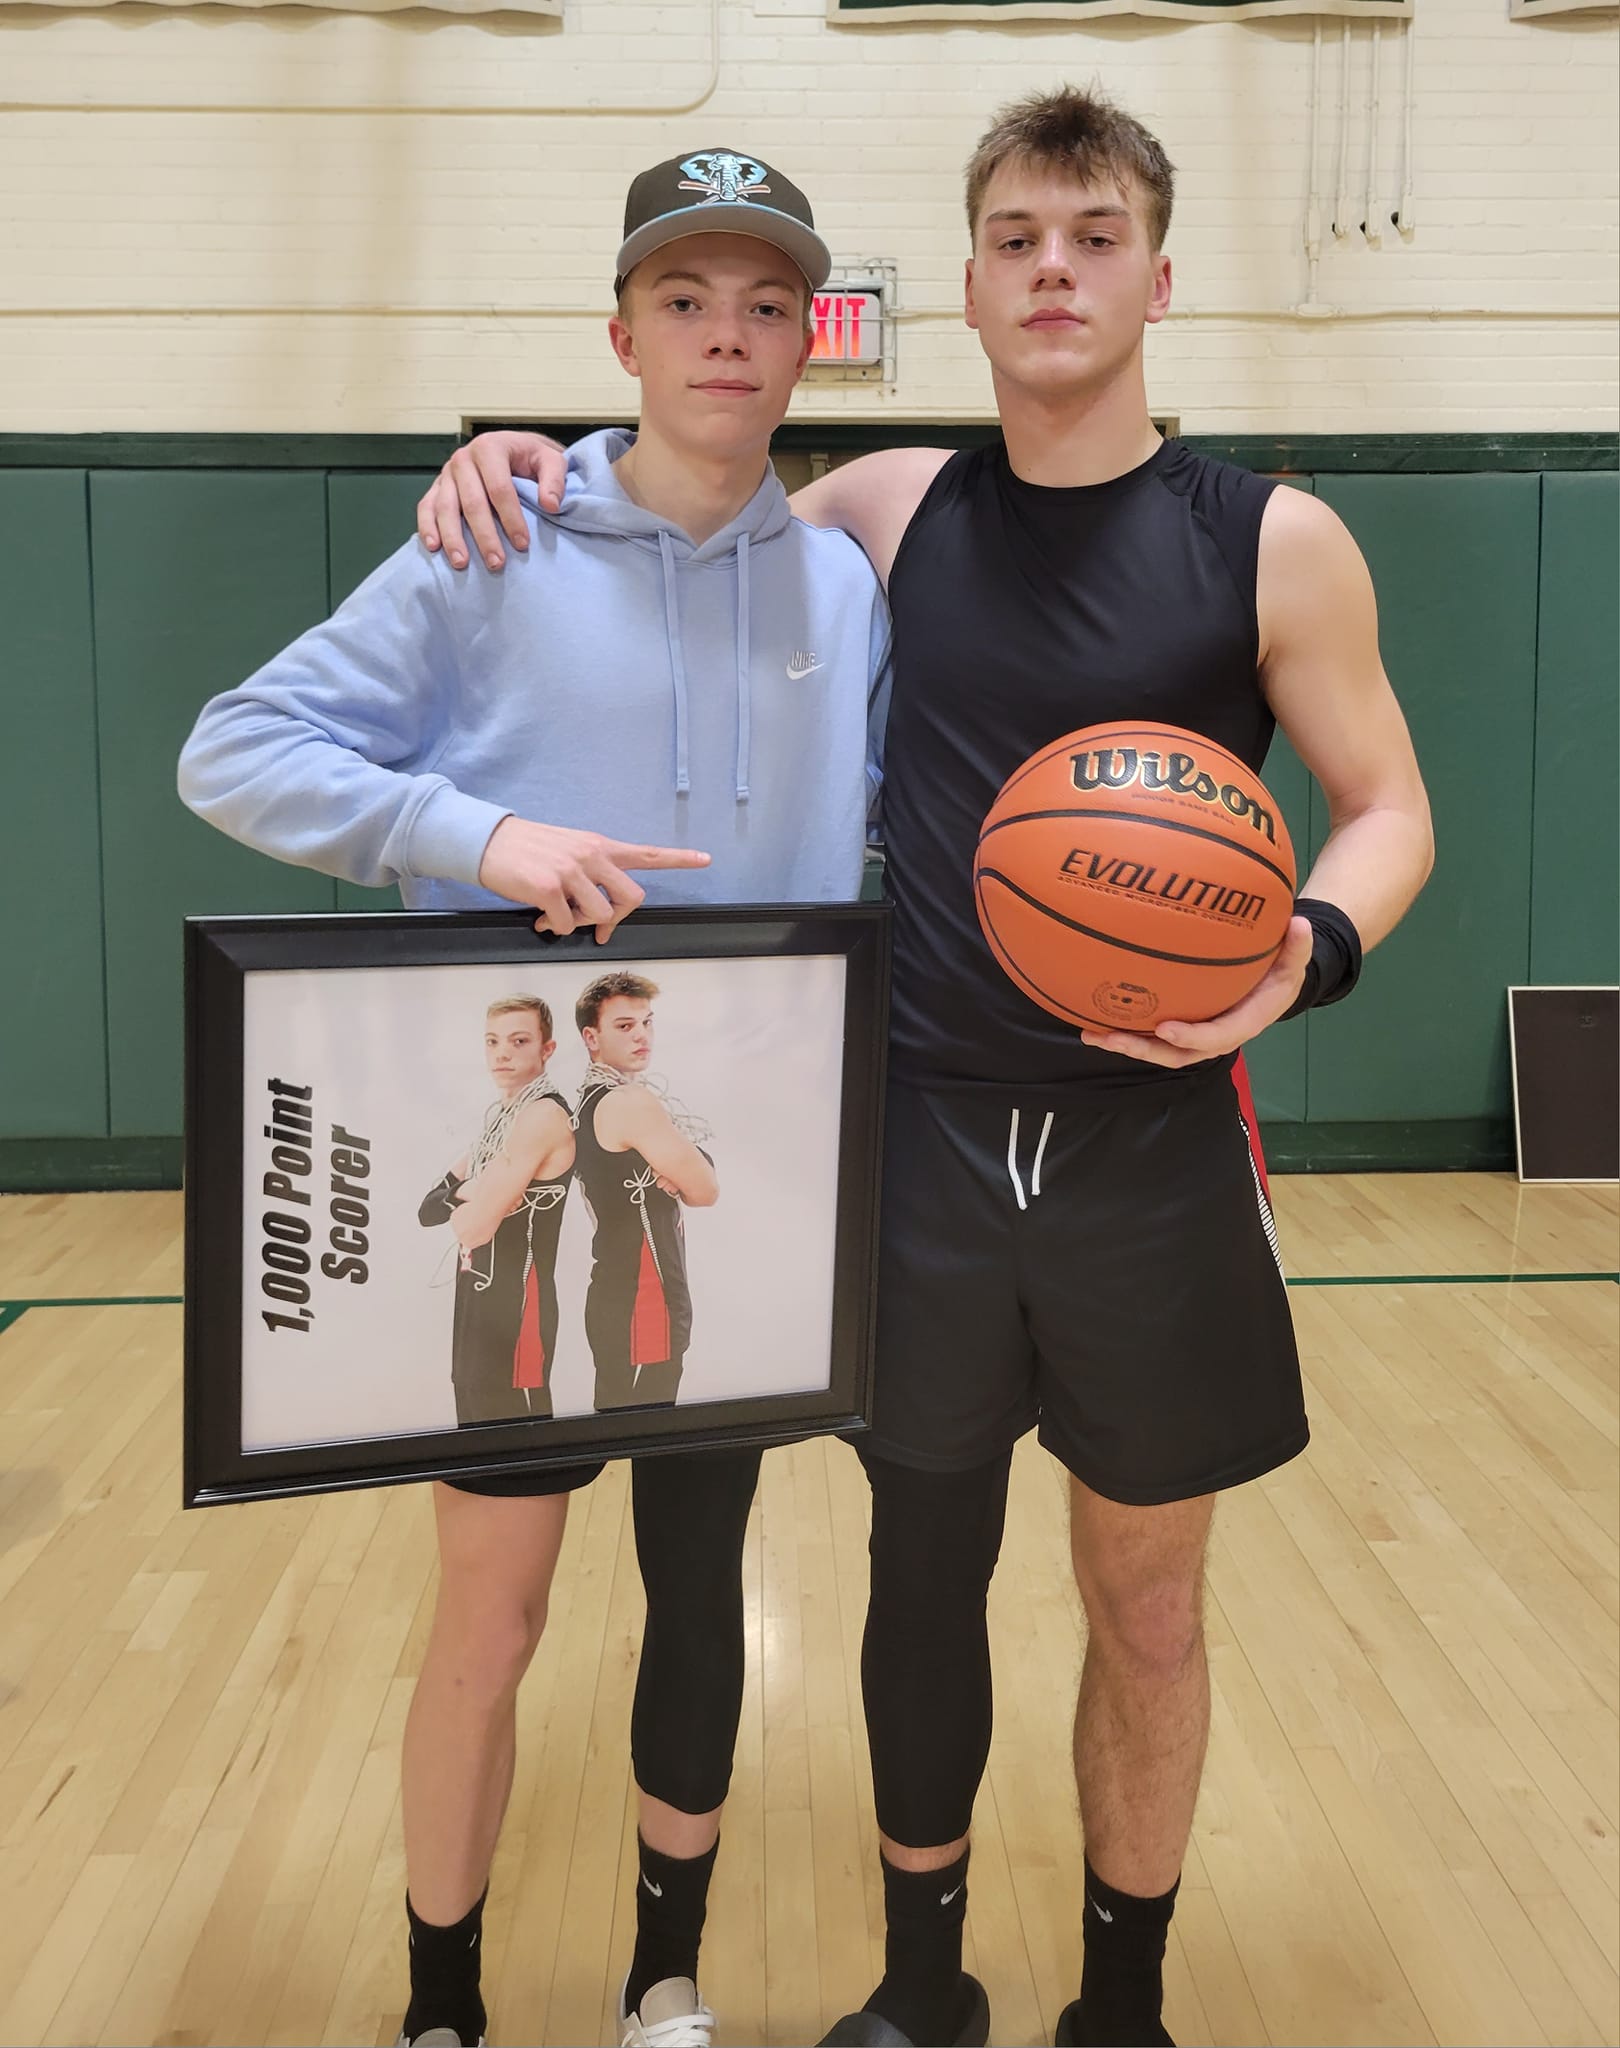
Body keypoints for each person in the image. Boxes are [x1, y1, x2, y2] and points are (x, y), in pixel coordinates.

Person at [418, 83, 1434, 2048]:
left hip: (1154, 1145)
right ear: (967, 281)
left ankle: (1120, 2008)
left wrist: (1306, 947)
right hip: (928, 1144)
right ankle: (921, 1984)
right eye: (1020, 240)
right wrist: (512, 470)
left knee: (1147, 1606)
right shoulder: (886, 510)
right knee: (918, 1578)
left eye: (1096, 237)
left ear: (1159, 272)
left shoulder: (1276, 542)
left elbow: (1388, 804)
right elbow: (671, 549)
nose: (1057, 271)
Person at [179, 145, 890, 2048]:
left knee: (695, 1599)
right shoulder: (487, 540)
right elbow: (230, 750)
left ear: (810, 336)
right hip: (511, 1163)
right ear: (620, 333)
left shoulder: (844, 578)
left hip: (715, 1180)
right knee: (489, 1607)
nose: (725, 336)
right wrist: (477, 834)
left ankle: (667, 1971)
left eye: (762, 304)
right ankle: (442, 1997)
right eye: (684, 301)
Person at [418, 995, 576, 1426]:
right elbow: (428, 1209)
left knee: (512, 1447)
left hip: (518, 1307)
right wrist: (477, 1187)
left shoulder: (543, 1115)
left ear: (547, 1050)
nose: (501, 1052)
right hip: (476, 1304)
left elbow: (473, 1229)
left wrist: (471, 1196)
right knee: (474, 1435)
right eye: (492, 1041)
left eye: (518, 1040)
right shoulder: (501, 1122)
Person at [571, 971, 719, 1411]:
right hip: (645, 1303)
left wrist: (685, 1166)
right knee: (646, 1437)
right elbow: (706, 1189)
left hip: (617, 1294)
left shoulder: (589, 1100)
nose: (642, 1035)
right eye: (624, 1026)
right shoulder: (629, 1103)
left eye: (647, 1022)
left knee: (620, 1428)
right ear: (591, 1037)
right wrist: (688, 1168)